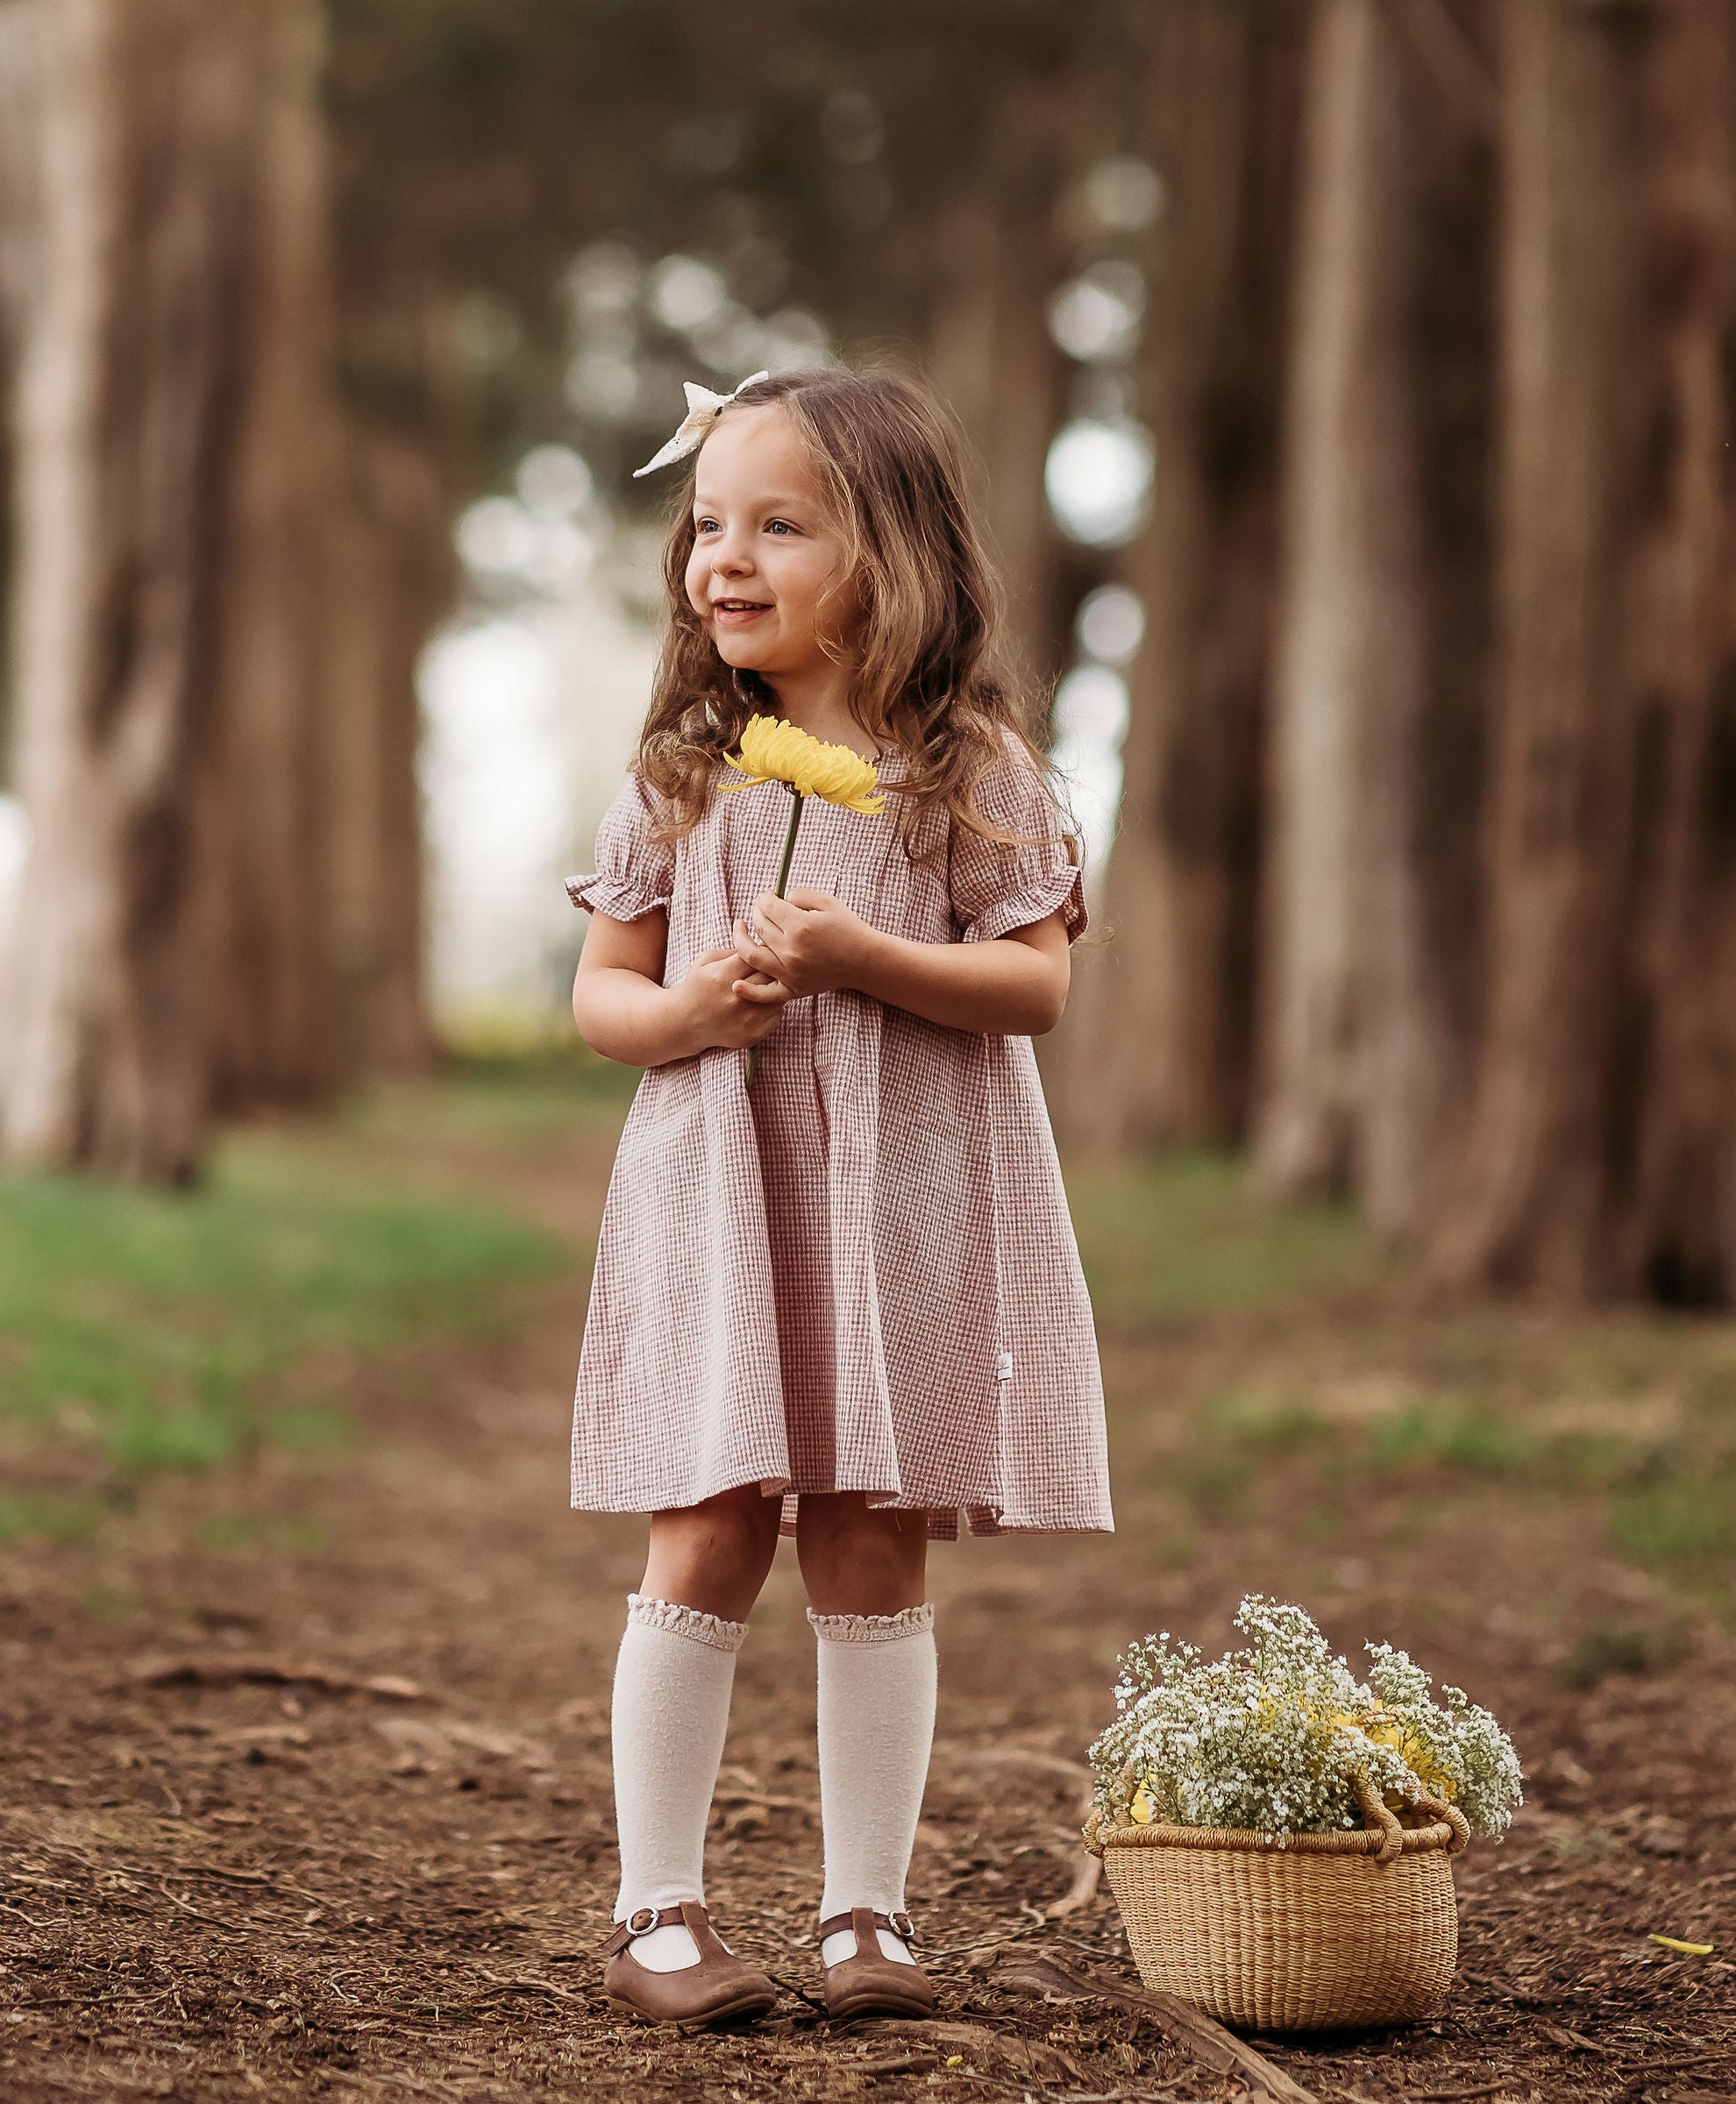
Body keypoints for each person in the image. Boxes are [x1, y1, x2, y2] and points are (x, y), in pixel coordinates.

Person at [566, 365, 1111, 2029]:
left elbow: (1034, 990)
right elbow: (604, 993)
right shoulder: (684, 771)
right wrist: (694, 1015)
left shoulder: (972, 768)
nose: (724, 561)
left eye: (779, 525)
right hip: (725, 1185)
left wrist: (865, 956)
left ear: (894, 555)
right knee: (715, 1513)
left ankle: (865, 1916)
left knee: (873, 1537)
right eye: (707, 525)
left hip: (904, 1205)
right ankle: (657, 1907)